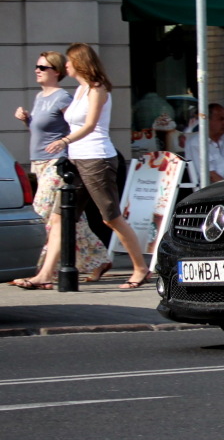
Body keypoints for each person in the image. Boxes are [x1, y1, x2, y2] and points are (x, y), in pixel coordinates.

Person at [16, 43, 151, 290]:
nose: (65, 65)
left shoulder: (97, 90)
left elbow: (90, 125)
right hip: (77, 160)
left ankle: (141, 268)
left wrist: (64, 141)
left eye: (68, 61)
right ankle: (45, 275)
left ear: (79, 63)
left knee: (111, 218)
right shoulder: (79, 91)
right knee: (60, 218)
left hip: (97, 159)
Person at [11, 52, 112, 284]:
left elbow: (74, 127)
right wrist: (27, 120)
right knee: (70, 219)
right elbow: (43, 132)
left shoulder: (63, 98)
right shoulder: (40, 97)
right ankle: (99, 258)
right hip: (39, 163)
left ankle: (43, 271)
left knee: (42, 213)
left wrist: (68, 149)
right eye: (37, 66)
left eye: (43, 67)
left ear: (56, 72)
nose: (37, 70)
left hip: (57, 163)